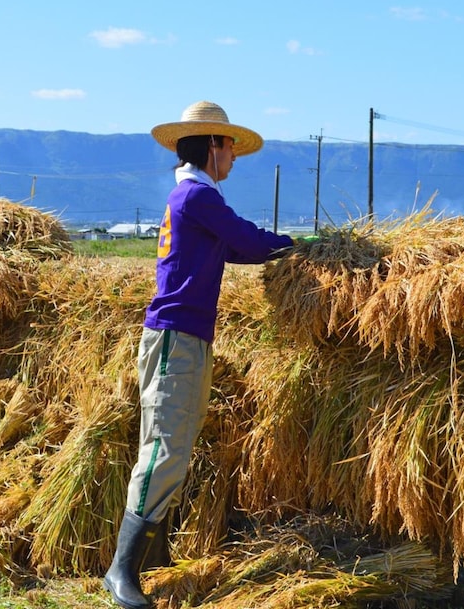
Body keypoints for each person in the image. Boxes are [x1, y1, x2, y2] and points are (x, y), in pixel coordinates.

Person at [103, 101, 300, 609]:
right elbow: (247, 241)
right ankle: (120, 572)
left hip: (184, 338)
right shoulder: (197, 196)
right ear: (212, 146)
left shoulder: (192, 197)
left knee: (172, 445)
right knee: (166, 448)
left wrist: (278, 246)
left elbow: (231, 248)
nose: (234, 157)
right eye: (230, 146)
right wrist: (297, 247)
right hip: (177, 339)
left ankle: (143, 563)